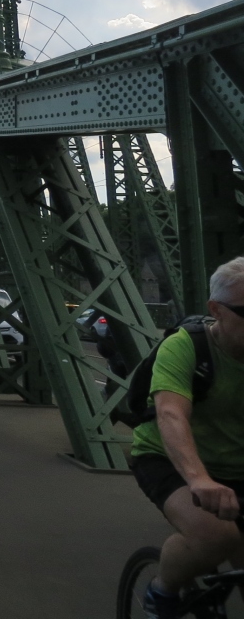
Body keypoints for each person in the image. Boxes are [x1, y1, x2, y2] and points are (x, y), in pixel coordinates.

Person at [131, 258, 244, 619]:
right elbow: (171, 414)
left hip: (236, 463)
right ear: (216, 310)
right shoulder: (185, 347)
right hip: (170, 459)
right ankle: (161, 591)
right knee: (216, 535)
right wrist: (199, 479)